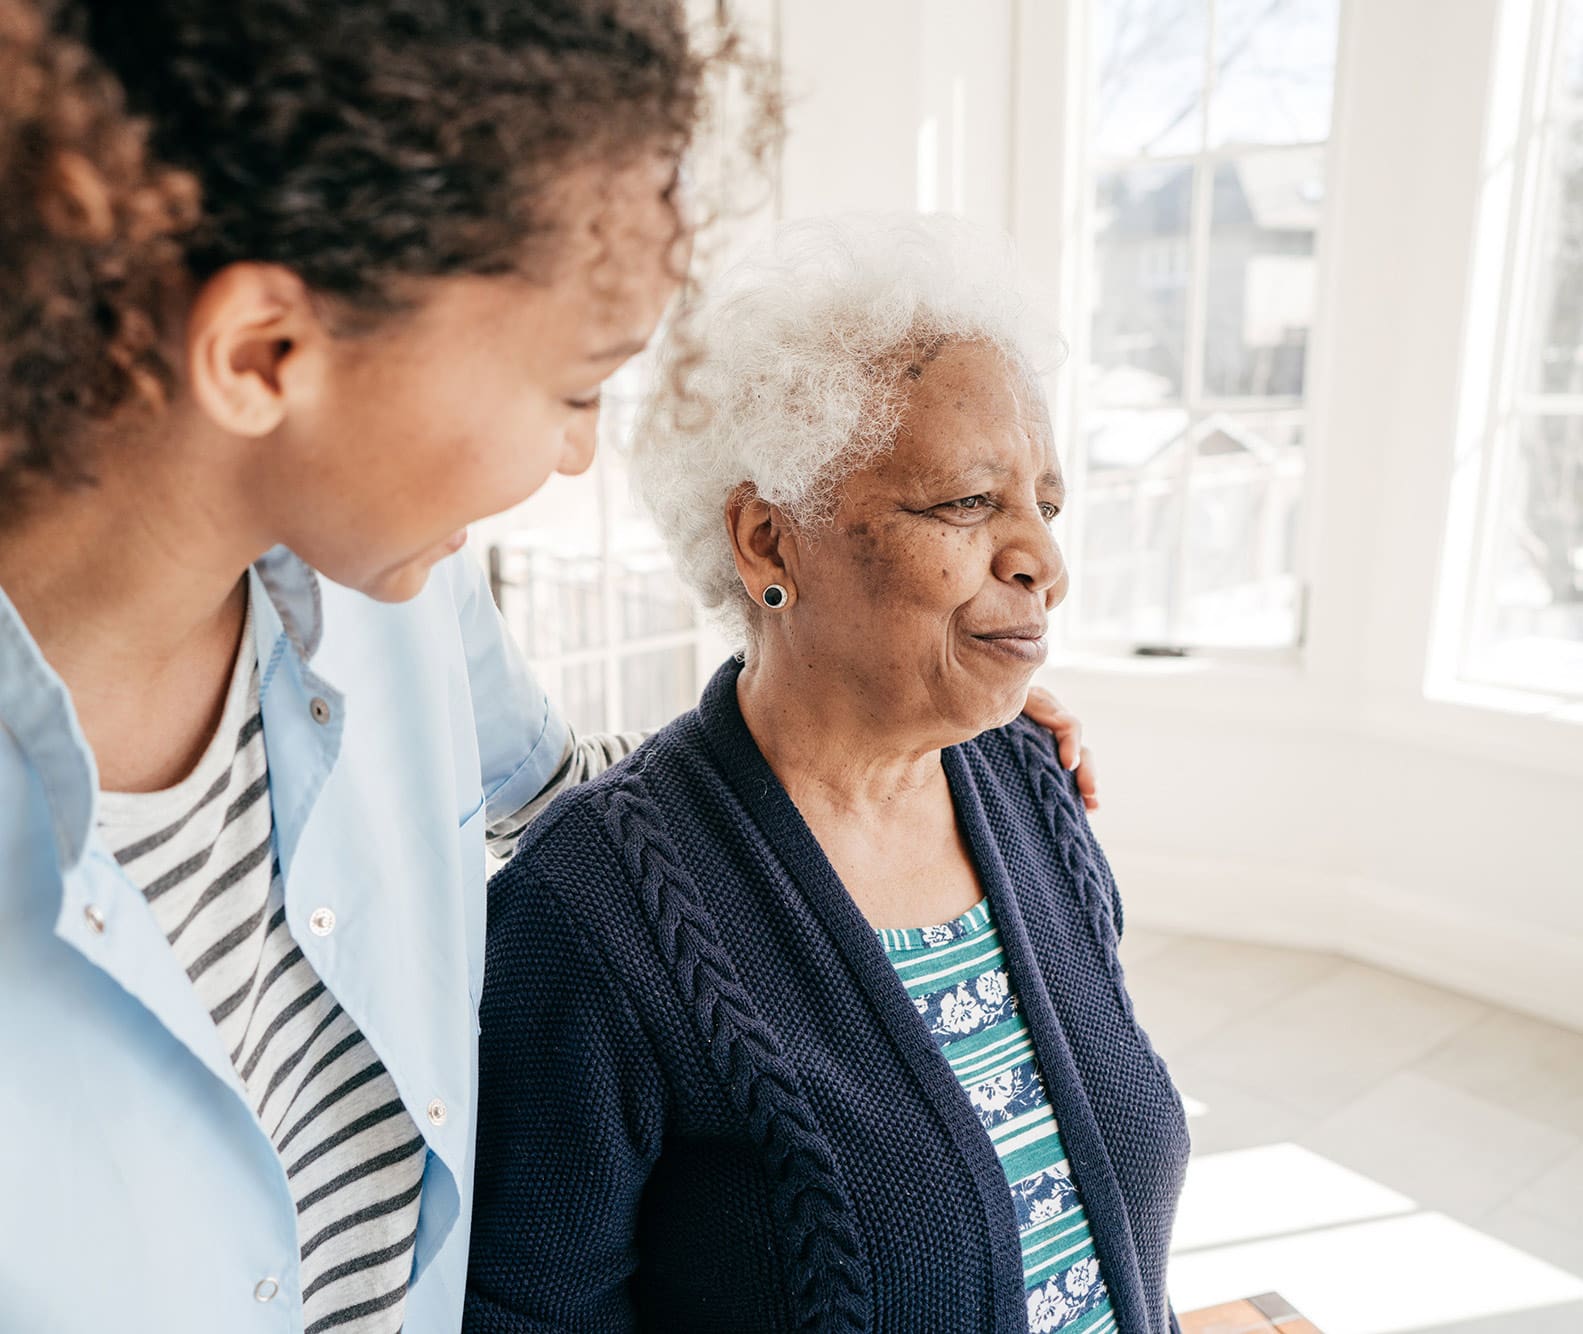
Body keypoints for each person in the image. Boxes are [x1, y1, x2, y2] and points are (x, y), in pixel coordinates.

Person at [0, 9, 1094, 1331]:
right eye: (576, 388)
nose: (578, 456)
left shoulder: (401, 607)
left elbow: (569, 797)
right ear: (261, 355)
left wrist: (879, 730)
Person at [466, 215, 1188, 1334]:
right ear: (767, 541)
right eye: (964, 502)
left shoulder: (1029, 782)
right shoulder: (586, 913)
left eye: (1042, 503)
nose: (1042, 558)